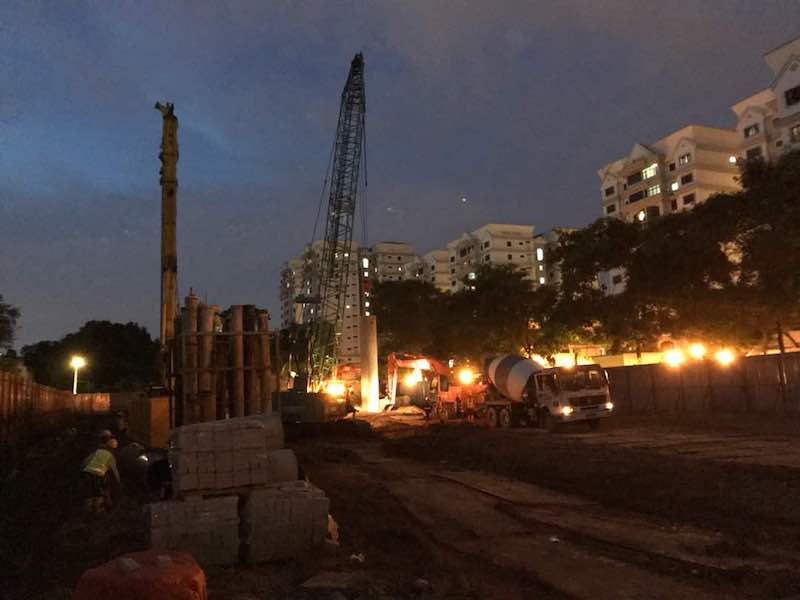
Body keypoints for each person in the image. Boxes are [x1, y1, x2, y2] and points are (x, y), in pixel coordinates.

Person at [81, 430, 120, 513]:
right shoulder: (110, 456)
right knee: (99, 491)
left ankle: (88, 509)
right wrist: (118, 482)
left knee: (90, 491)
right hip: (98, 474)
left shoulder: (97, 451)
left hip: (87, 471)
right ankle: (98, 509)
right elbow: (114, 471)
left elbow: (85, 461)